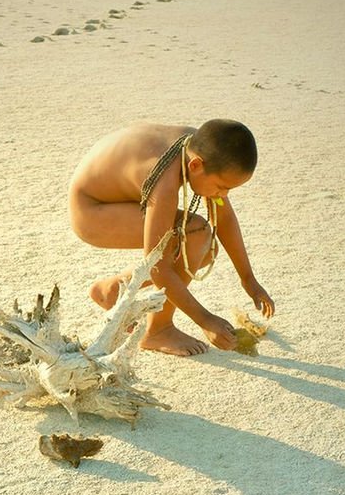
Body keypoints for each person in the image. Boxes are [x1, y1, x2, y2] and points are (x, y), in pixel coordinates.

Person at [68, 119, 275, 356]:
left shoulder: (200, 147)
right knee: (196, 234)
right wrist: (206, 320)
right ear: (196, 165)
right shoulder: (164, 178)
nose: (223, 195)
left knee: (206, 250)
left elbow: (224, 217)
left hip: (116, 198)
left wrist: (248, 279)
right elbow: (156, 266)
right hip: (90, 211)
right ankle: (158, 330)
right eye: (221, 186)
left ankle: (112, 290)